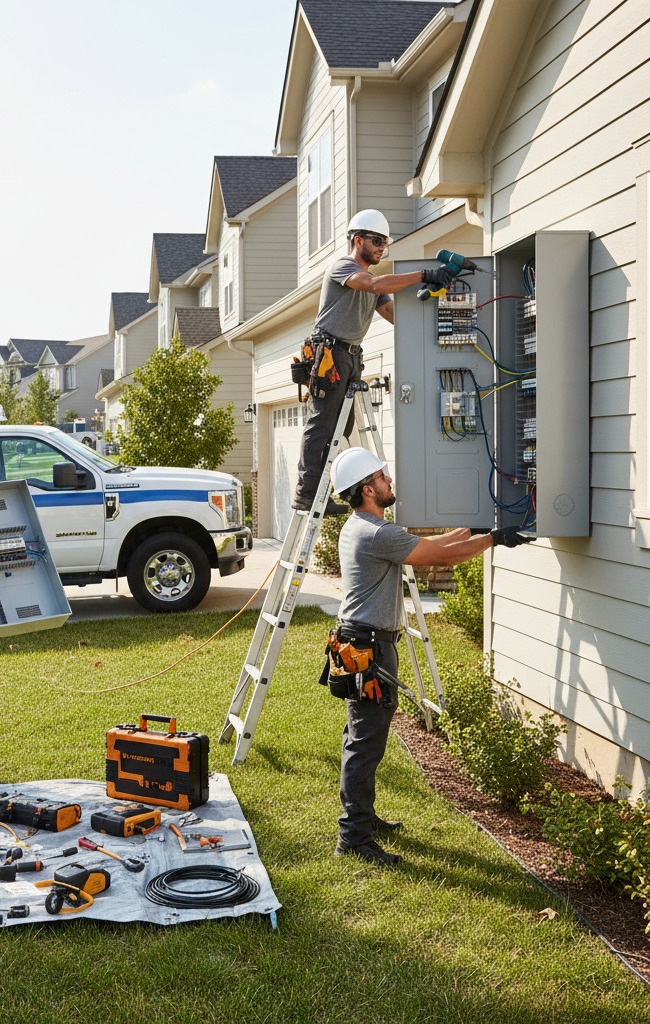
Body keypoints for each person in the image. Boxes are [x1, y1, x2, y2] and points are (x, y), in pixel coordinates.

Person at [327, 446, 533, 865]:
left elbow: (428, 543)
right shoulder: (376, 534)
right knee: (365, 743)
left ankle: (360, 818)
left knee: (361, 739)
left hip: (363, 641)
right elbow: (436, 556)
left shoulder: (361, 526)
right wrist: (492, 539)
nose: (390, 482)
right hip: (369, 648)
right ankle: (354, 837)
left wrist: (470, 528)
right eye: (384, 478)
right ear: (369, 489)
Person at [292, 209, 456, 511]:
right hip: (329, 354)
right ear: (358, 240)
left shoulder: (371, 282)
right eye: (377, 240)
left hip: (351, 356)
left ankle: (326, 490)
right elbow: (376, 284)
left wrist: (441, 323)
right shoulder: (344, 267)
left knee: (342, 427)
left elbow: (393, 313)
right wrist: (423, 274)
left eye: (385, 243)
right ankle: (307, 494)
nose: (382, 247)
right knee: (321, 425)